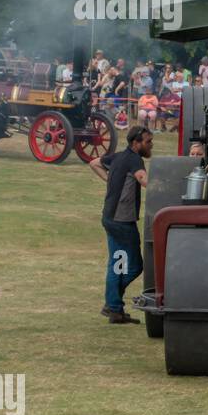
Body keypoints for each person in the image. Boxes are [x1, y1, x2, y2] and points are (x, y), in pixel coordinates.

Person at [90, 126, 153, 324]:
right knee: (134, 266)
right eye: (148, 141)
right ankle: (112, 302)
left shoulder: (118, 157)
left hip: (109, 217)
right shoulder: (135, 159)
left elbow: (94, 163)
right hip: (122, 221)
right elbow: (144, 180)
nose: (151, 145)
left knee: (117, 264)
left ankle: (115, 309)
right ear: (136, 143)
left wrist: (110, 181)